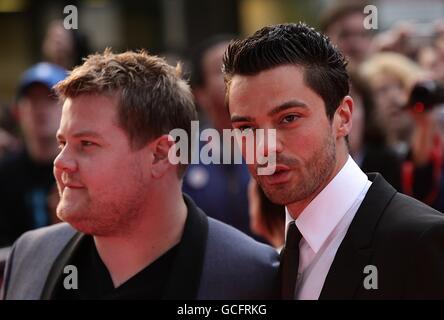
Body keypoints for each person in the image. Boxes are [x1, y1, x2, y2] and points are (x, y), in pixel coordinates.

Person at [1, 50, 278, 300]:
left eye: (86, 144)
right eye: (63, 144)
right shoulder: (30, 258)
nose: (61, 163)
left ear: (160, 154)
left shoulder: (251, 276)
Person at [223, 22, 444, 299]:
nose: (266, 147)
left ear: (343, 117)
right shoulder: (268, 261)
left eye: (289, 119)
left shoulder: (419, 243)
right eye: (247, 128)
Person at [183, 35, 253, 238]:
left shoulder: (275, 144)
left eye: (243, 65)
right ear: (200, 94)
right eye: (223, 68)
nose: (238, 74)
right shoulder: (182, 155)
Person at [0, 63, 67, 248]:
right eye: (32, 99)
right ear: (17, 111)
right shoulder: (5, 173)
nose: (41, 108)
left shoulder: (83, 169)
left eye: (51, 98)